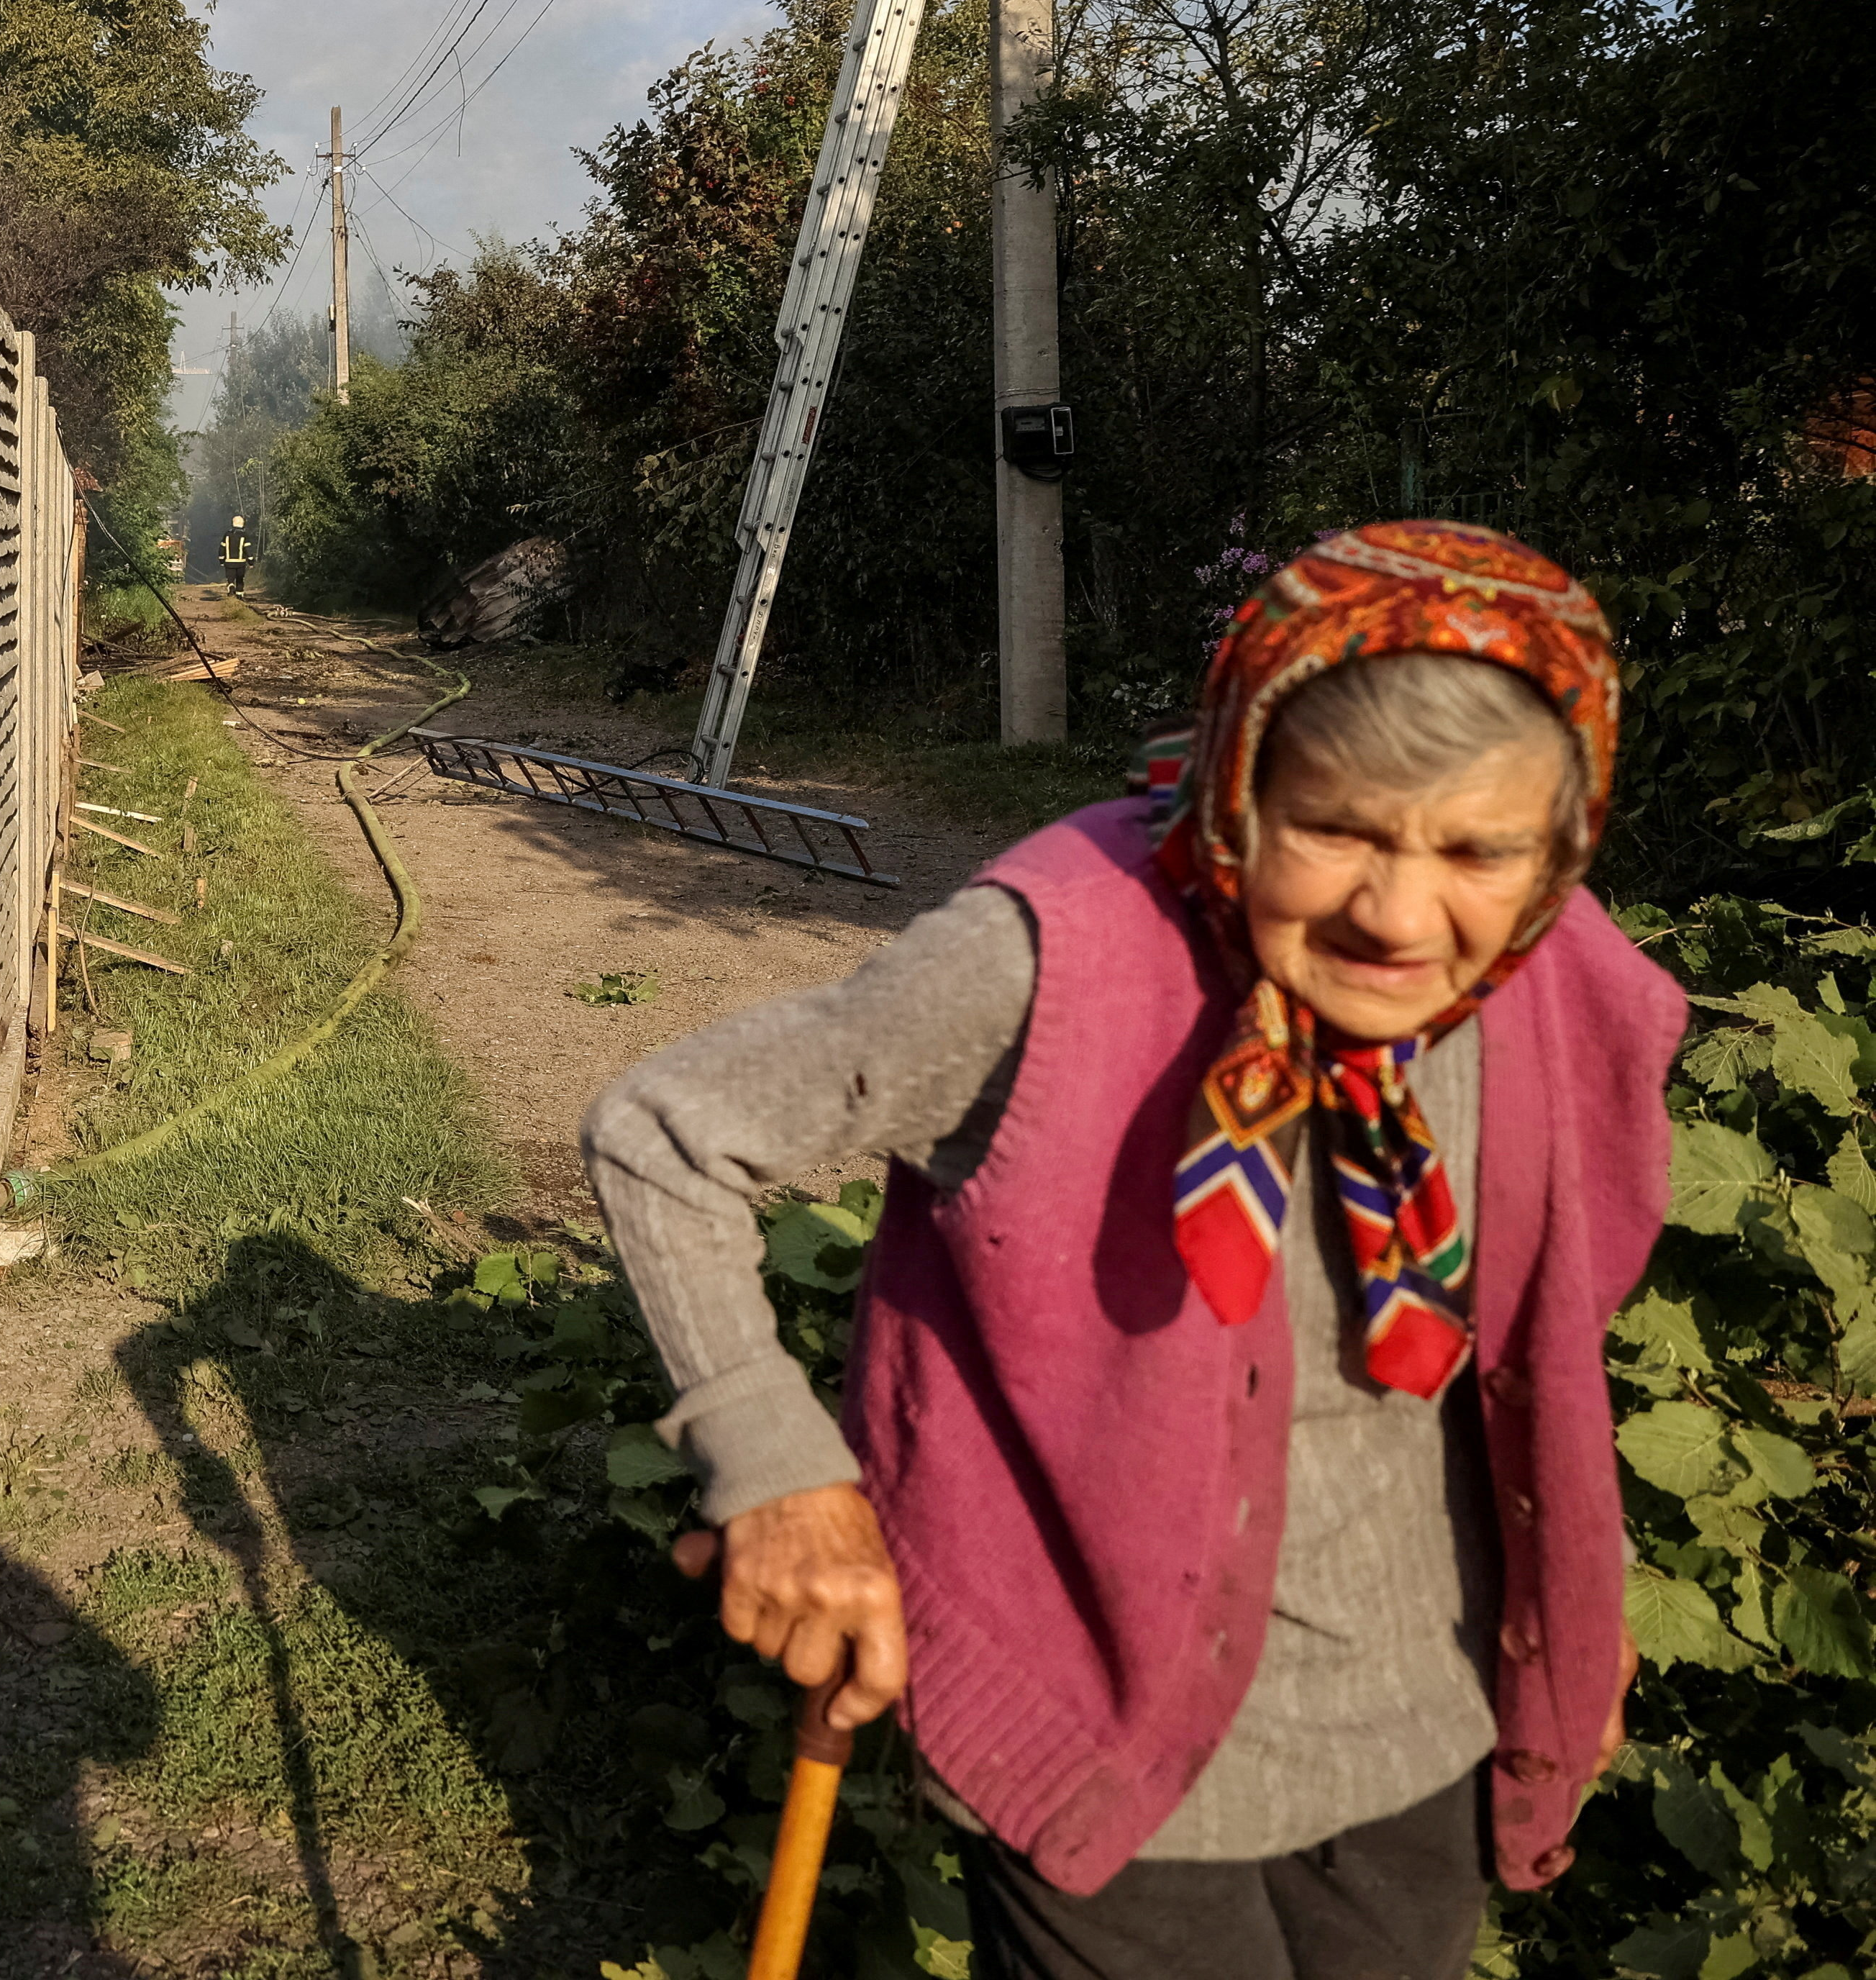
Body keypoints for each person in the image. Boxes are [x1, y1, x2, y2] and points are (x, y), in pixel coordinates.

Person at [581, 522, 1683, 1980]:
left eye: (1478, 850)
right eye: (1337, 829)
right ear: (1242, 784)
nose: (1399, 916)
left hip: (1424, 1704)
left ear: (1558, 847)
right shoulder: (1055, 954)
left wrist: (1567, 1629)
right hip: (1097, 1689)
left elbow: (1549, 1346)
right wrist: (781, 1473)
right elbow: (668, 1133)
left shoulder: (1562, 983)